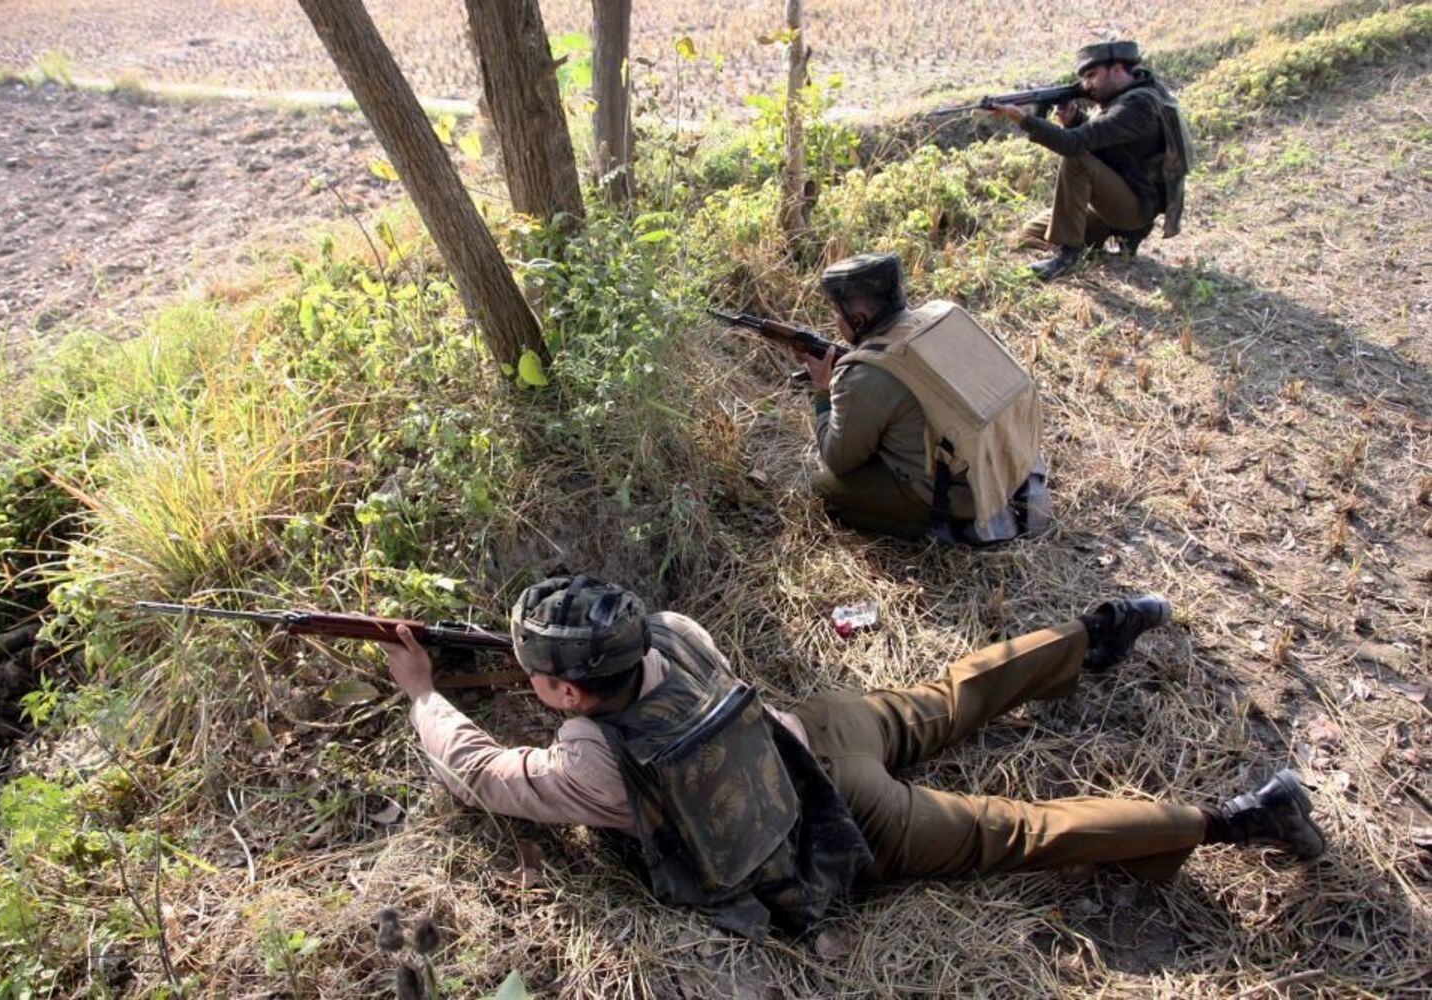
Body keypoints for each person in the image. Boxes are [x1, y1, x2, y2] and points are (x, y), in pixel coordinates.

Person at [380, 575, 1327, 942]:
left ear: (564, 692)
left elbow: (482, 772)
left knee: (1016, 832)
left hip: (831, 827)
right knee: (947, 698)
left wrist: (424, 693)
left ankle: (1238, 820)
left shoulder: (592, 766)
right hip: (819, 733)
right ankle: (1094, 632)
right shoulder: (673, 629)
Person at [801, 252, 1050, 544]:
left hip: (964, 491)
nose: (835, 321)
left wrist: (823, 392)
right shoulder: (944, 316)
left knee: (825, 489)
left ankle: (950, 529)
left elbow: (838, 459)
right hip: (1010, 457)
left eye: (836, 313)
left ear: (858, 318)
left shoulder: (865, 376)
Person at [987, 40, 1193, 281]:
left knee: (1076, 159)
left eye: (1092, 75)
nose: (1086, 85)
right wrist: (1075, 120)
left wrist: (1023, 119)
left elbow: (1074, 145)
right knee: (1031, 233)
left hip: (1135, 208)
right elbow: (1108, 142)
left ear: (1117, 69)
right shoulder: (1126, 97)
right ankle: (1105, 242)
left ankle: (1068, 255)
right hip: (1117, 198)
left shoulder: (1138, 105)